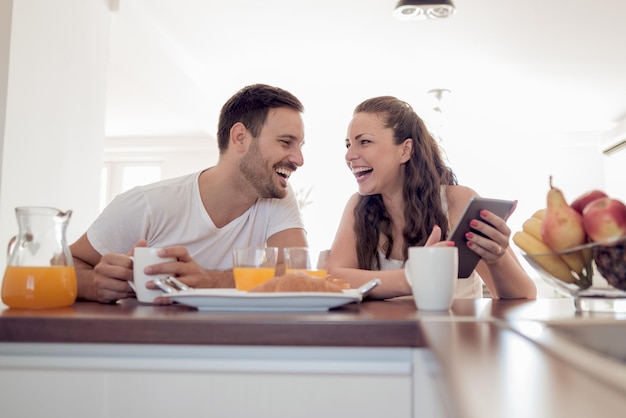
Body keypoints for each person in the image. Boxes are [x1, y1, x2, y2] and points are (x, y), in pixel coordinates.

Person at [70, 84, 308, 303]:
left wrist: (210, 281)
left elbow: (295, 272)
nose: (299, 159)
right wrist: (92, 284)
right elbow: (65, 263)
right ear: (240, 138)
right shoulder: (148, 204)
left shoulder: (277, 199)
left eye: (300, 146)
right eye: (286, 142)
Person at [326, 96, 536, 300]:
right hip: (387, 335)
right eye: (348, 145)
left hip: (454, 335)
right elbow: (335, 278)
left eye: (364, 142)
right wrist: (411, 278)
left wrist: (497, 260)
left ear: (405, 150)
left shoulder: (456, 202)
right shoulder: (359, 206)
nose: (349, 155)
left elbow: (524, 295)